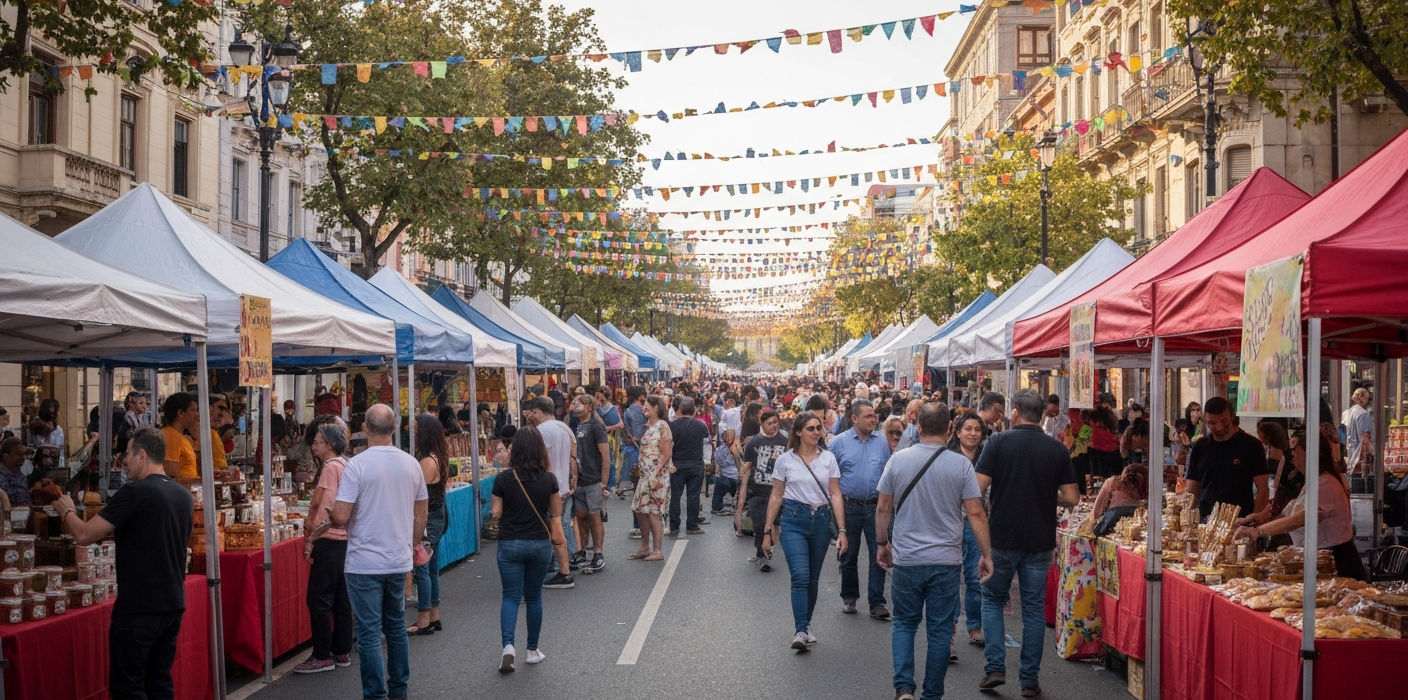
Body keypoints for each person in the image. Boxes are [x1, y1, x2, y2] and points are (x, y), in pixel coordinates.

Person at [54, 427, 192, 700]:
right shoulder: (183, 494)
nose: (123, 461)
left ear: (142, 455)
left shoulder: (134, 492)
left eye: (127, 454)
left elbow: (84, 535)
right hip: (172, 602)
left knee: (129, 688)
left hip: (139, 606)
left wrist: (67, 511)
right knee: (159, 683)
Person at [877, 402, 993, 700]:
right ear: (950, 429)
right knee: (940, 631)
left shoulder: (898, 460)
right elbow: (976, 513)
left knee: (904, 624)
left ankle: (904, 687)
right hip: (946, 560)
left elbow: (883, 507)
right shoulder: (961, 465)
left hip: (907, 558)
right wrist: (986, 554)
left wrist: (882, 543)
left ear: (918, 427)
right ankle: (932, 694)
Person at [975, 390, 1080, 697]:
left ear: (1015, 413)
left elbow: (977, 487)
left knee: (992, 600)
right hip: (1039, 539)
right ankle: (1029, 679)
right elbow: (1072, 498)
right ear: (1043, 415)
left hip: (1002, 536)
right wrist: (1048, 495)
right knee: (1033, 610)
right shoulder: (1056, 449)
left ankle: (995, 667)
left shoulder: (997, 442)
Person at [329, 404, 428, 700]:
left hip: (364, 561)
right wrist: (411, 544)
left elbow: (341, 516)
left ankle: (375, 694)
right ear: (395, 428)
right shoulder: (411, 463)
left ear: (365, 429)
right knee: (395, 626)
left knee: (370, 632)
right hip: (397, 558)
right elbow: (421, 513)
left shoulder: (357, 465)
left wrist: (330, 514)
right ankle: (399, 690)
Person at [762, 412, 848, 651]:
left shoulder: (828, 458)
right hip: (793, 520)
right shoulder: (785, 460)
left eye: (819, 428)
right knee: (800, 575)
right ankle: (800, 630)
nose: (816, 432)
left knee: (812, 578)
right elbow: (776, 495)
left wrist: (842, 530)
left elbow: (835, 494)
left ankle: (806, 624)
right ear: (798, 432)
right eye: (811, 428)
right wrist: (767, 531)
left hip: (821, 521)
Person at [1234, 431, 1366, 579]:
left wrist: (1258, 531)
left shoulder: (1326, 484)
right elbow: (1285, 515)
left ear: (1312, 453)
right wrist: (1252, 522)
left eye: (1296, 448)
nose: (1292, 453)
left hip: (1336, 560)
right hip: (1320, 556)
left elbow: (1299, 519)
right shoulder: (1313, 482)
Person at [491, 425, 563, 672]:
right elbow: (556, 512)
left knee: (511, 596)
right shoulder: (549, 479)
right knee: (534, 597)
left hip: (510, 542)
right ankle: (532, 650)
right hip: (540, 543)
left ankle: (508, 646)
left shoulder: (503, 478)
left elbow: (496, 512)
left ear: (516, 449)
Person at [294, 416, 354, 674]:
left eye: (317, 442)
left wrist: (310, 533)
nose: (313, 446)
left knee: (318, 599)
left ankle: (322, 654)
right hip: (343, 540)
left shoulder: (330, 467)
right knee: (341, 598)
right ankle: (341, 649)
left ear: (329, 444)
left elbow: (322, 503)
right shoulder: (346, 463)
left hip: (329, 538)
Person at [830, 398, 893, 620]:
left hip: (876, 507)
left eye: (874, 415)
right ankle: (849, 597)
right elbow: (829, 475)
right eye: (868, 416)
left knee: (879, 553)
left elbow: (888, 473)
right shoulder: (838, 443)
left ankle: (877, 603)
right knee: (848, 553)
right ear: (855, 418)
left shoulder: (882, 442)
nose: (873, 419)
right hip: (849, 507)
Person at [1184, 397, 1270, 520]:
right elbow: (1192, 489)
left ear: (1232, 417)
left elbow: (1263, 490)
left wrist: (1253, 521)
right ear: (1205, 422)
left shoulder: (1251, 445)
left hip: (1239, 520)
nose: (1219, 428)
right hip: (1206, 519)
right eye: (1212, 423)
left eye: (1224, 421)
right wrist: (1187, 517)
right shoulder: (1200, 446)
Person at [948, 411, 989, 648]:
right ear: (958, 432)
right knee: (950, 579)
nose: (973, 433)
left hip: (977, 525)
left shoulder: (987, 458)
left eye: (977, 429)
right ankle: (949, 634)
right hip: (951, 523)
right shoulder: (947, 457)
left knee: (975, 578)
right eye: (968, 429)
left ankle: (975, 627)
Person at [527, 396, 578, 589]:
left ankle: (560, 568)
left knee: (550, 527)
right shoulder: (564, 428)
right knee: (559, 524)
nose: (532, 416)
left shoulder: (540, 431)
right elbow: (573, 454)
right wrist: (573, 476)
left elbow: (539, 461)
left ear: (538, 411)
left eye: (533, 412)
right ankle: (559, 563)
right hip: (562, 484)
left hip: (547, 487)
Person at [407, 414, 449, 636]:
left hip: (427, 519)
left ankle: (424, 617)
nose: (412, 432)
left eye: (415, 429)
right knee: (432, 568)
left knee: (422, 567)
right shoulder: (437, 457)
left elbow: (417, 495)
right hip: (437, 516)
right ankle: (434, 614)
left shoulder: (426, 462)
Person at [738, 409, 789, 569]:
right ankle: (762, 556)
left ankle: (766, 549)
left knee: (773, 524)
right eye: (770, 423)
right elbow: (748, 463)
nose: (774, 426)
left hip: (778, 492)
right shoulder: (755, 442)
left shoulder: (785, 441)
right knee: (759, 524)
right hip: (757, 491)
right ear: (762, 425)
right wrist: (742, 481)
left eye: (775, 422)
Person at [570, 396, 610, 574]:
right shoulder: (577, 425)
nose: (575, 406)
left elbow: (605, 456)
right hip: (580, 480)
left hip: (594, 479)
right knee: (580, 515)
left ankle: (598, 553)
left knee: (595, 516)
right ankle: (583, 551)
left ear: (589, 407)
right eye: (573, 403)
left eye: (579, 403)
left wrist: (604, 482)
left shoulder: (596, 426)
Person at [630, 396, 673, 561]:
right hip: (645, 476)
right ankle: (645, 547)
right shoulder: (650, 426)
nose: (644, 408)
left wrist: (655, 473)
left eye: (648, 406)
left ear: (657, 408)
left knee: (654, 512)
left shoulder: (662, 426)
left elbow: (667, 453)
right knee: (640, 510)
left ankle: (657, 550)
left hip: (656, 478)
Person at [666, 397, 710, 536]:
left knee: (675, 496)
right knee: (693, 496)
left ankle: (674, 526)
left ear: (680, 409)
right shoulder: (700, 425)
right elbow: (706, 437)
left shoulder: (672, 426)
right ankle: (692, 525)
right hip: (695, 465)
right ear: (693, 409)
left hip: (677, 465)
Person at [158, 393, 200, 485]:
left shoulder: (181, 437)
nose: (197, 415)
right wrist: (202, 481)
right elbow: (170, 477)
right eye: (193, 410)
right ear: (180, 413)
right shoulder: (170, 436)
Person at [621, 387, 647, 502]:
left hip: (632, 444)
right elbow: (638, 430)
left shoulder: (628, 411)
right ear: (640, 396)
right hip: (643, 443)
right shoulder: (642, 410)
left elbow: (628, 429)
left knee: (633, 469)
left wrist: (631, 437)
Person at [712, 428, 741, 516]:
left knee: (718, 492)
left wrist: (717, 474)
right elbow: (738, 464)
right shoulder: (736, 449)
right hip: (735, 477)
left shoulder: (718, 450)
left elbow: (717, 463)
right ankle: (734, 506)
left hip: (724, 476)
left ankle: (716, 507)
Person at [1345, 388, 1375, 473]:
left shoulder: (1348, 412)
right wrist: (1367, 460)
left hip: (1352, 455)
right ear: (1362, 399)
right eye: (1368, 399)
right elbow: (1366, 440)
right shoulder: (1363, 415)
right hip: (1360, 459)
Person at [0, 437, 30, 506]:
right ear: (6, 456)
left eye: (24, 454)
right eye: (19, 454)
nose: (23, 458)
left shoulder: (20, 475)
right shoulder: (1, 476)